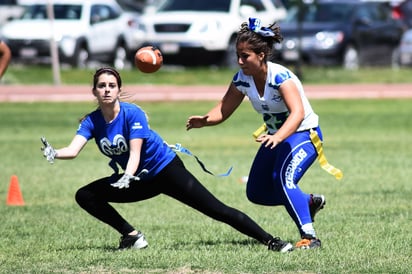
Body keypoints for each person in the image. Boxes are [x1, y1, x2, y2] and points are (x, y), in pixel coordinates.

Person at [40, 67, 293, 252]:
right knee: (85, 195)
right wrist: (55, 152)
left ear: (118, 89)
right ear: (94, 91)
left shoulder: (132, 113)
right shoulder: (92, 121)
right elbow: (73, 150)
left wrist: (127, 176)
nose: (106, 90)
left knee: (216, 209)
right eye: (101, 86)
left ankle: (271, 241)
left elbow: (136, 153)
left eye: (111, 85)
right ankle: (131, 236)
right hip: (137, 179)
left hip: (165, 170)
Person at [186, 18, 326, 249]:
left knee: (284, 180)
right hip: (276, 138)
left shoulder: (281, 77)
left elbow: (298, 113)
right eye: (238, 55)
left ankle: (310, 238)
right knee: (257, 192)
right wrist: (206, 120)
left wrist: (278, 137)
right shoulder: (242, 79)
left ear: (261, 55)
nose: (240, 61)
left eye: (245, 56)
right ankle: (308, 202)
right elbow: (223, 108)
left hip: (303, 135)